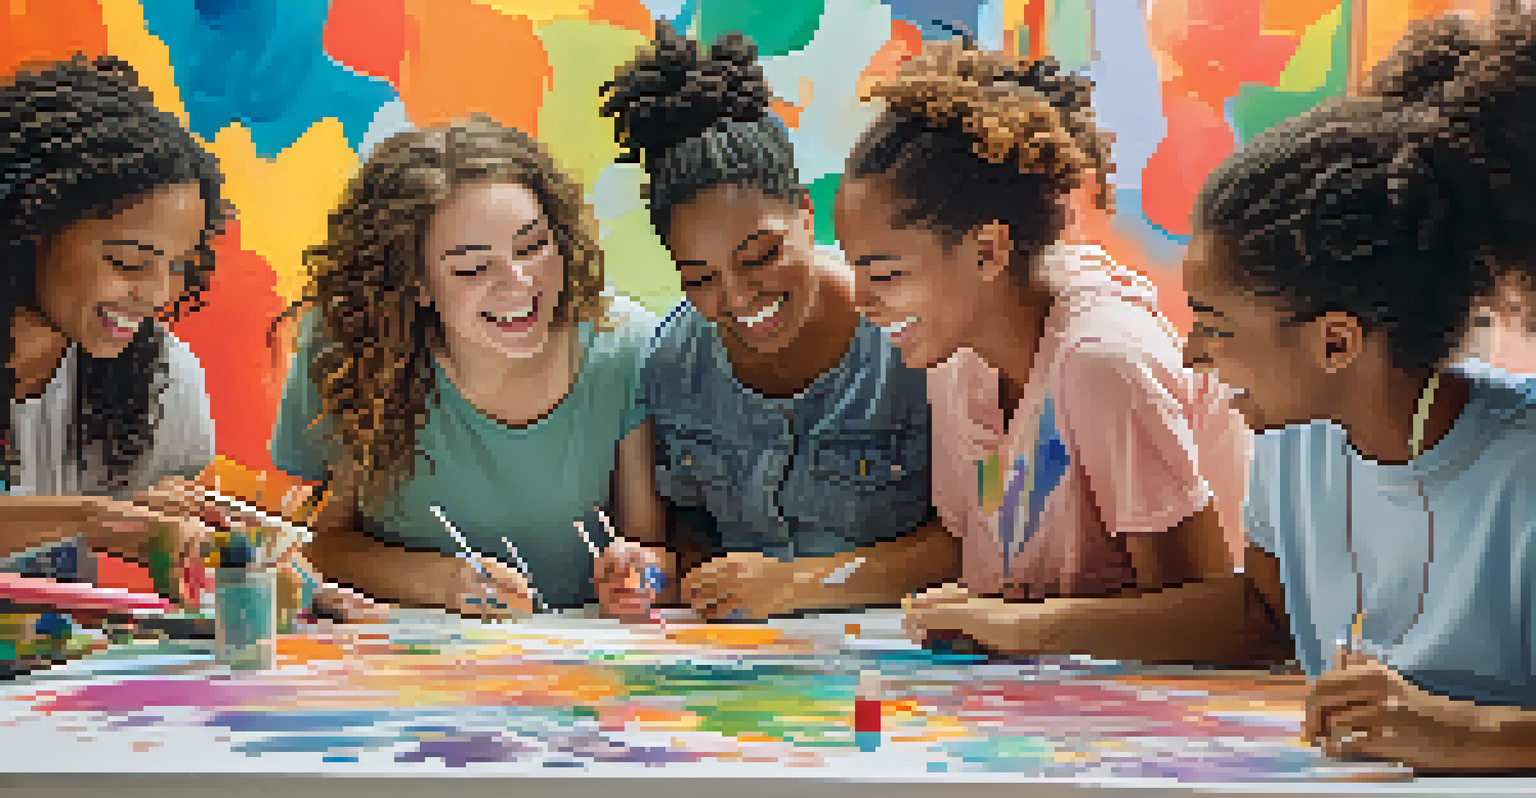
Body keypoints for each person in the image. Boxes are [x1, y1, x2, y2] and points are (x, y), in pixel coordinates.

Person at [835, 41, 1247, 648]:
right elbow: (992, 556)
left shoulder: (1103, 362)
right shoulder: (955, 356)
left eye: (887, 275)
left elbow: (1213, 621)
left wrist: (1015, 626)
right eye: (856, 272)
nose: (861, 301)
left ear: (987, 252)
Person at [599, 24, 955, 620]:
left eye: (760, 255)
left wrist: (799, 583)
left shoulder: (915, 342)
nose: (738, 298)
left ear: (807, 215)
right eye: (700, 278)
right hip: (747, 676)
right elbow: (688, 529)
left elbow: (971, 544)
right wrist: (651, 573)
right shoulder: (673, 360)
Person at [271, 115, 663, 619]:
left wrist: (640, 576)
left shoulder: (625, 346)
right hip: (406, 666)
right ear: (415, 280)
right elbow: (313, 541)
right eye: (474, 268)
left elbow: (655, 553)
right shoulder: (350, 347)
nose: (518, 281)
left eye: (533, 246)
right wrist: (441, 581)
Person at [0, 55, 230, 601]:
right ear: (29, 227)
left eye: (177, 266)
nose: (156, 295)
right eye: (128, 262)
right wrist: (98, 519)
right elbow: (97, 520)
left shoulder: (159, 377)